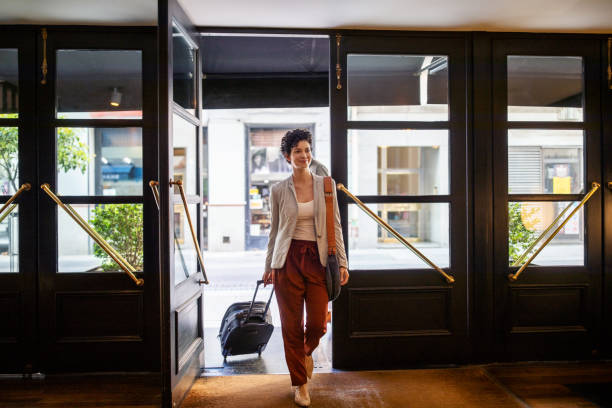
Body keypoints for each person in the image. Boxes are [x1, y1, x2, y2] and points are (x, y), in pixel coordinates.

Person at [262, 128, 348, 407]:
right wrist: (268, 266)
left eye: (307, 150)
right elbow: (274, 232)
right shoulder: (278, 190)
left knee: (317, 324)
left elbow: (335, 225)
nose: (304, 155)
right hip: (286, 261)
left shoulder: (326, 185)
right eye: (297, 151)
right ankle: (300, 384)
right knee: (290, 325)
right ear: (288, 156)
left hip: (319, 260)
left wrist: (343, 262)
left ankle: (305, 353)